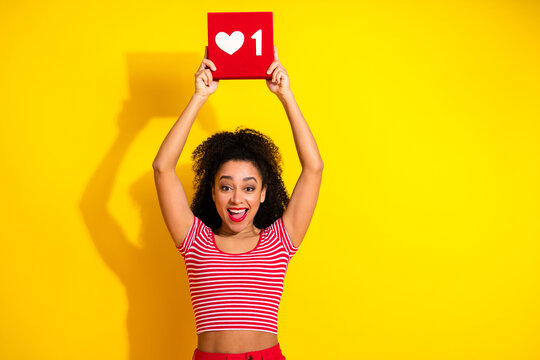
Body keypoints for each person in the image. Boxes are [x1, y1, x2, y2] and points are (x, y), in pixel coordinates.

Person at [152, 46, 323, 360]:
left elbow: (313, 168)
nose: (236, 198)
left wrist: (286, 96)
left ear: (263, 193)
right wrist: (199, 97)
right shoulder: (195, 241)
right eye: (226, 186)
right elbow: (162, 168)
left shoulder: (279, 241)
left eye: (248, 187)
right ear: (213, 192)